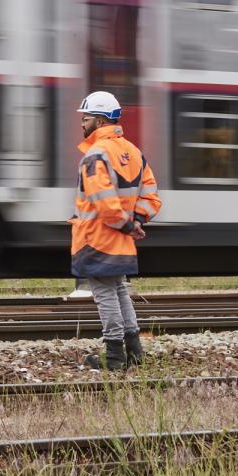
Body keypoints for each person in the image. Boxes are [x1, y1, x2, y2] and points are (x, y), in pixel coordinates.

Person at [71, 91, 161, 370]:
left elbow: (103, 200)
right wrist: (135, 222)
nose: (82, 123)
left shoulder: (95, 155)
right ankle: (134, 352)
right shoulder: (134, 152)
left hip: (97, 237)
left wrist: (125, 223)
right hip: (121, 238)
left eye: (85, 118)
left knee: (105, 294)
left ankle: (114, 358)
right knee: (119, 290)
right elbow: (151, 196)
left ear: (99, 120)